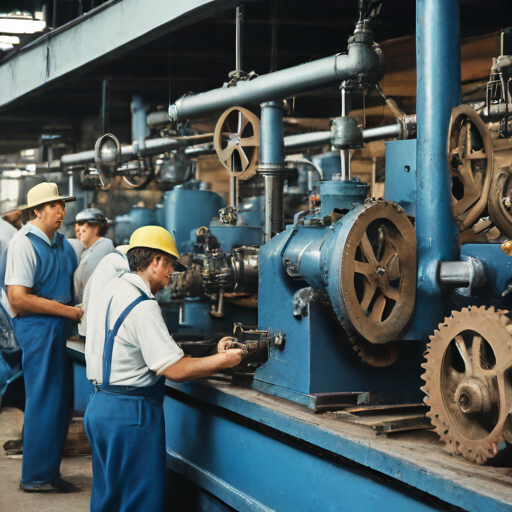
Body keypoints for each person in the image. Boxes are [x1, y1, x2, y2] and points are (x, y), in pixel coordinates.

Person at [84, 226, 242, 512]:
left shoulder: (114, 287)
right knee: (140, 501)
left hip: (99, 406)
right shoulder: (143, 304)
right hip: (132, 415)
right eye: (170, 265)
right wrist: (226, 360)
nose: (171, 277)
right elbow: (176, 370)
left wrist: (208, 349)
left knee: (110, 499)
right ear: (156, 260)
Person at [5, 182, 82, 492]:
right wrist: (67, 313)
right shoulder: (24, 243)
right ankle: (35, 476)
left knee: (62, 402)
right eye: (52, 206)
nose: (60, 210)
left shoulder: (63, 244)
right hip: (38, 329)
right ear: (36, 211)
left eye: (61, 204)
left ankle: (50, 473)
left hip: (62, 326)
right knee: (43, 400)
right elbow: (18, 298)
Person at [73, 208, 116, 303]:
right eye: (79, 224)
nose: (81, 229)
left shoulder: (104, 247)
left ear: (97, 228)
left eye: (87, 225)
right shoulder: (86, 251)